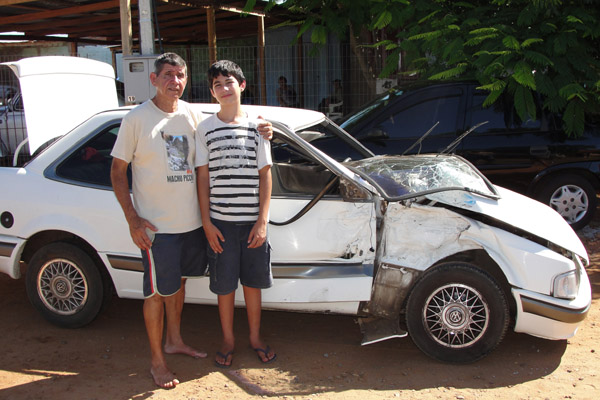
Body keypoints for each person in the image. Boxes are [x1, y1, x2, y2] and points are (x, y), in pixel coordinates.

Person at [110, 53, 272, 388]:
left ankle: (175, 340)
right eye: (168, 74)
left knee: (178, 285)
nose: (175, 81)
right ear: (153, 79)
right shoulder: (137, 119)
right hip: (158, 229)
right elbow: (117, 172)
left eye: (181, 75)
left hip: (193, 226)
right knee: (156, 294)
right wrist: (133, 220)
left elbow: (229, 136)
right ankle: (157, 362)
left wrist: (268, 128)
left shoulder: (192, 116)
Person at [196, 60, 276, 369]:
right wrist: (206, 223)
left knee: (252, 284)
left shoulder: (257, 127)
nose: (223, 88)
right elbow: (203, 178)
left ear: (241, 85)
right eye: (217, 84)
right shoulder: (205, 129)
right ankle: (228, 339)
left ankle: (255, 338)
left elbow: (265, 175)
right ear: (213, 92)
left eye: (228, 82)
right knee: (225, 286)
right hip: (221, 226)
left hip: (252, 225)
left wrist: (262, 221)